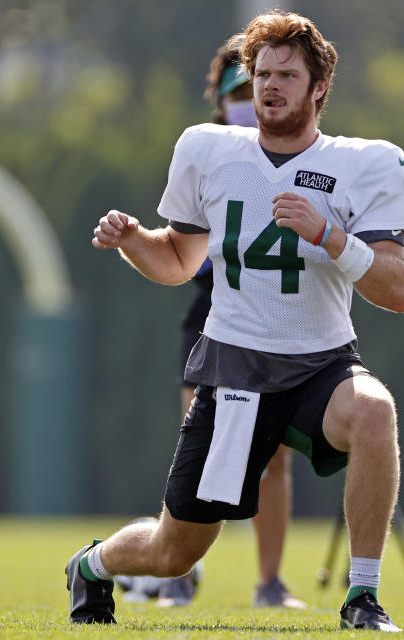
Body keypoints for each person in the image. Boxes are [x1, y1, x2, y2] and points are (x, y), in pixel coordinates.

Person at [72, 9, 404, 633]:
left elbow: (398, 290)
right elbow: (180, 260)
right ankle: (93, 565)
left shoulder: (365, 162)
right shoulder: (208, 150)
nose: (270, 86)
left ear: (319, 87)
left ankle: (362, 598)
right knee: (173, 551)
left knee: (376, 411)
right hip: (235, 366)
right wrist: (133, 240)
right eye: (261, 73)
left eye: (287, 74)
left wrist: (331, 236)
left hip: (322, 363)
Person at [117, 42, 306, 611]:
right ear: (218, 104)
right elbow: (184, 251)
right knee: (200, 454)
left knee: (274, 460)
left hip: (283, 325)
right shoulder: (205, 159)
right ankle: (176, 571)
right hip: (213, 322)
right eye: (238, 93)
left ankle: (270, 582)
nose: (251, 102)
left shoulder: (302, 155)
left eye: (258, 89)